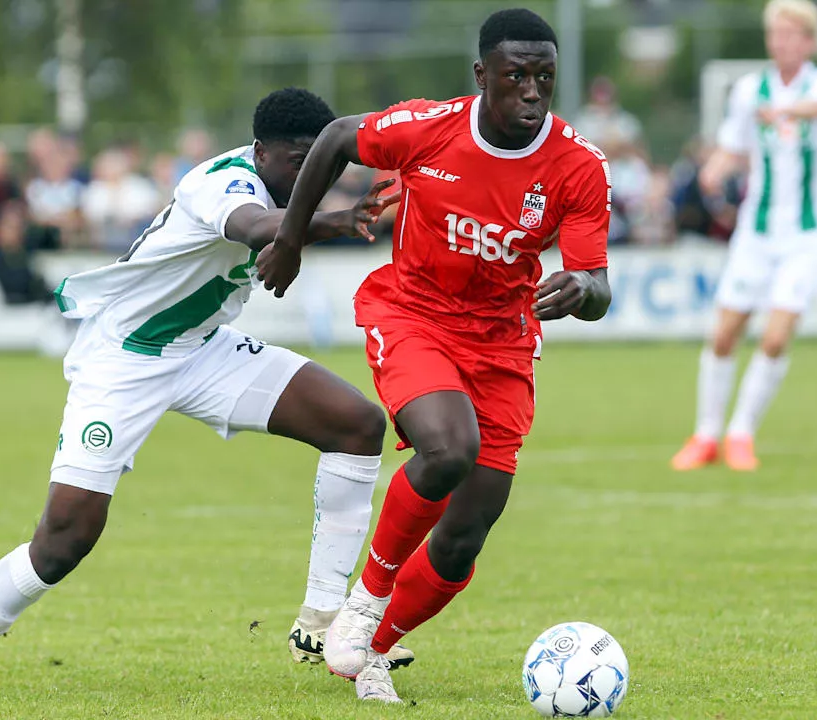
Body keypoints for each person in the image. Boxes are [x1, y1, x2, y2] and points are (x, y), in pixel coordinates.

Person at [0, 88, 412, 695]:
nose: (310, 174)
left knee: (357, 425)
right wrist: (325, 223)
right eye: (297, 160)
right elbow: (256, 227)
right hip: (125, 359)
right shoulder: (219, 182)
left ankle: (321, 618)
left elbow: (282, 225)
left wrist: (332, 218)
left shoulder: (285, 186)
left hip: (200, 349)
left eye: (324, 163)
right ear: (261, 152)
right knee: (66, 537)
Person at [258, 8, 612, 704]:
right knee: (448, 449)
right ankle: (362, 607)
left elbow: (599, 285)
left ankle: (371, 652)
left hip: (502, 342)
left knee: (464, 535)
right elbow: (333, 140)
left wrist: (583, 290)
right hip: (413, 314)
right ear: (483, 77)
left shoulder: (577, 166)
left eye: (544, 76)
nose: (533, 92)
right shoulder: (429, 128)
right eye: (516, 77)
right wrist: (291, 240)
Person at [671, 0, 817, 472]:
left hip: (810, 233)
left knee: (774, 337)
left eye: (791, 34)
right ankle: (706, 434)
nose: (781, 42)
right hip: (756, 231)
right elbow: (734, 146)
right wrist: (713, 170)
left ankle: (741, 433)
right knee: (725, 331)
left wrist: (784, 111)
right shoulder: (751, 89)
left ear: (808, 41)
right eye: (776, 34)